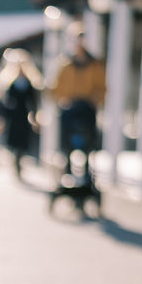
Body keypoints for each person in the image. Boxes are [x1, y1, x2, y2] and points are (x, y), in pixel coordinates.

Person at [49, 23, 106, 177]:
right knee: (66, 130)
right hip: (70, 106)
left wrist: (93, 100)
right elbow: (55, 87)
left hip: (87, 105)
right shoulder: (65, 64)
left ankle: (87, 164)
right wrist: (63, 99)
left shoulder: (94, 64)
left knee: (90, 133)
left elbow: (102, 87)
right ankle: (67, 163)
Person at [0, 49, 42, 178]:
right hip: (13, 117)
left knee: (23, 143)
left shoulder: (29, 84)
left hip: (23, 116)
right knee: (14, 143)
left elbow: (33, 103)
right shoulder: (11, 84)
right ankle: (16, 162)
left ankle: (19, 162)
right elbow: (5, 103)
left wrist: (34, 117)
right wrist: (2, 119)